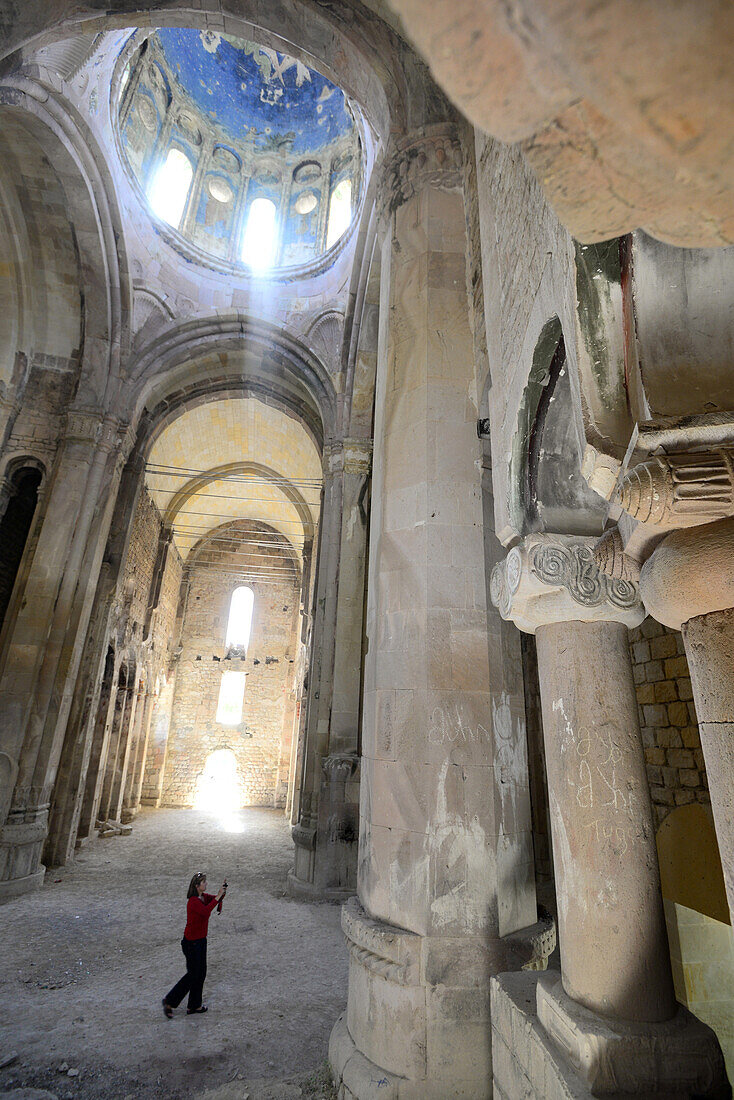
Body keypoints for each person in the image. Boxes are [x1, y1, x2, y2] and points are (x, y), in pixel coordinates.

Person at [162, 871, 227, 1018]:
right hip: (191, 944)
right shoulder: (193, 901)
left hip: (200, 941)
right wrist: (218, 896)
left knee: (200, 973)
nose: (206, 884)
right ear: (197, 886)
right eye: (204, 882)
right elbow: (206, 911)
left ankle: (194, 1005)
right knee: (193, 975)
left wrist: (221, 892)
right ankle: (169, 1000)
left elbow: (215, 900)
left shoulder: (202, 897)